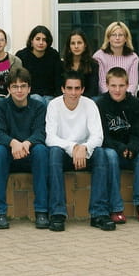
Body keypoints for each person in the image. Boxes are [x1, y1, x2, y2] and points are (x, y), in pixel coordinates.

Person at [45, 70, 113, 232]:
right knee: (54, 153)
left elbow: (98, 136)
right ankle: (57, 214)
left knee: (101, 153)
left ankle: (99, 214)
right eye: (69, 88)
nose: (73, 93)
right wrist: (73, 147)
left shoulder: (90, 104)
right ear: (62, 89)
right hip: (64, 153)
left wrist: (84, 147)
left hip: (85, 153)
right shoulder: (54, 105)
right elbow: (50, 138)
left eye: (77, 88)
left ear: (82, 89)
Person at [0, 67, 49, 230]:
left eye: (23, 86)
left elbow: (40, 132)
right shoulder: (0, 107)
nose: (19, 90)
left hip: (30, 153)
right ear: (8, 89)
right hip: (8, 155)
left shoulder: (39, 107)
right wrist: (13, 143)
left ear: (29, 88)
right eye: (15, 86)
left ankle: (42, 211)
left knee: (41, 151)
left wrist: (27, 143)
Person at [96, 67, 139, 224]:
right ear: (107, 85)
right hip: (112, 148)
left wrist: (132, 147)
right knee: (111, 156)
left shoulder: (135, 103)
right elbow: (102, 136)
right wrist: (120, 147)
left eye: (121, 85)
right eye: (113, 86)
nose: (117, 90)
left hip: (130, 148)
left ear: (127, 85)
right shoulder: (100, 104)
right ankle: (115, 207)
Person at [15, 25, 63, 103]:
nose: (41, 43)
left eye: (44, 40)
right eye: (37, 39)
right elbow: (17, 79)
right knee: (37, 100)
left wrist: (58, 98)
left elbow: (58, 79)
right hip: (29, 95)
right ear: (31, 40)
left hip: (50, 95)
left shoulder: (53, 55)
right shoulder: (22, 55)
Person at [93, 21, 139, 96]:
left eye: (121, 35)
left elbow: (133, 84)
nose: (117, 38)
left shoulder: (133, 57)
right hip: (105, 97)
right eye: (113, 35)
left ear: (126, 38)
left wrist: (123, 97)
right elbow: (102, 84)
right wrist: (112, 98)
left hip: (127, 97)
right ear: (108, 38)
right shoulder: (99, 56)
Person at [62, 29, 100, 98]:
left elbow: (93, 90)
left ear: (85, 45)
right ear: (69, 47)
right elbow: (60, 89)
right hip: (67, 99)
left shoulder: (93, 65)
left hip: (87, 99)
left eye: (79, 43)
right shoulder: (62, 64)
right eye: (73, 43)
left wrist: (79, 100)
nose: (76, 46)